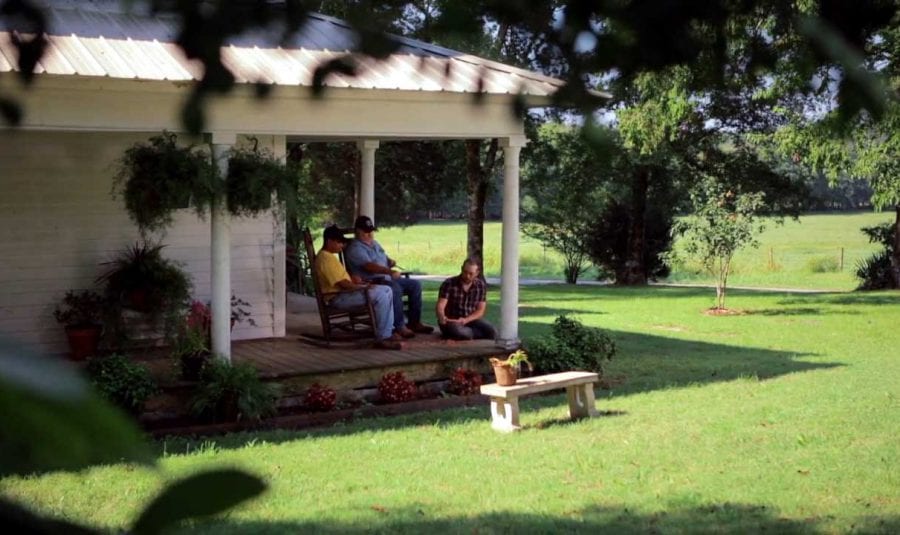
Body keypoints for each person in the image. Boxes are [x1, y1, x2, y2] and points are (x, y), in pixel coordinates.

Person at [344, 215, 434, 338]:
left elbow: (383, 256)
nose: (370, 234)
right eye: (366, 232)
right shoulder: (354, 248)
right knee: (395, 289)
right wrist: (389, 271)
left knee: (415, 285)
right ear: (358, 231)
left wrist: (390, 261)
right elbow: (369, 266)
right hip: (373, 281)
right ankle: (399, 326)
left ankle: (414, 322)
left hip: (386, 278)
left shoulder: (374, 243)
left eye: (371, 231)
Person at [314, 225, 401, 350]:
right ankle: (383, 337)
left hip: (344, 294)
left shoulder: (329, 257)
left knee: (386, 290)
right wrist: (363, 287)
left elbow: (342, 279)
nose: (341, 245)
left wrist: (356, 281)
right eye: (338, 242)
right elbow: (342, 284)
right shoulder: (325, 259)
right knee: (381, 294)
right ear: (329, 241)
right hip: (338, 298)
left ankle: (386, 332)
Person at [435, 258, 496, 340]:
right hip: (452, 320)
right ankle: (470, 334)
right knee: (460, 332)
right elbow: (441, 305)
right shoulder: (449, 283)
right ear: (461, 269)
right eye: (465, 272)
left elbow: (480, 310)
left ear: (477, 273)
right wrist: (442, 317)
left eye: (471, 274)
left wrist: (465, 320)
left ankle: (469, 334)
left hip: (470, 319)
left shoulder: (480, 285)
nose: (467, 276)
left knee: (492, 331)